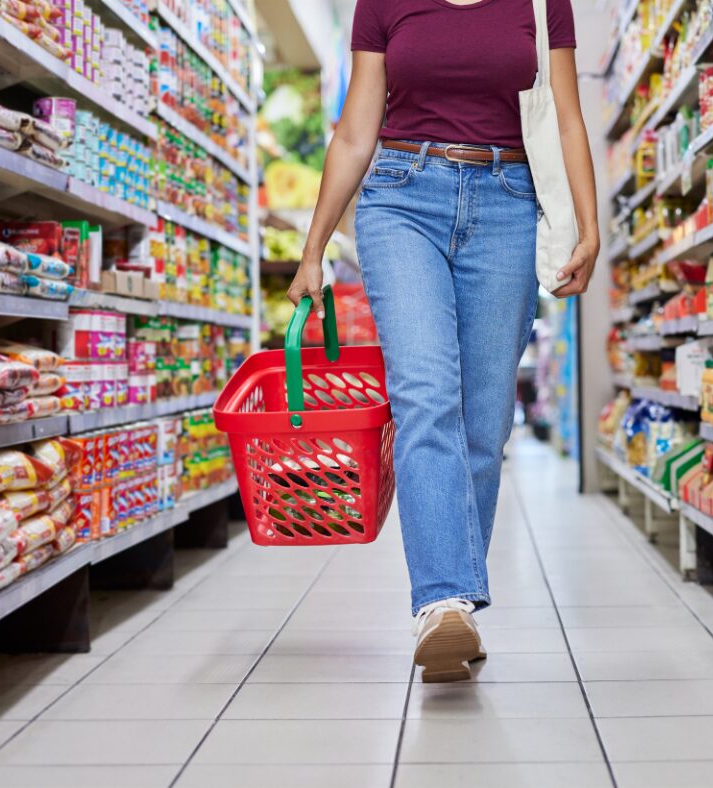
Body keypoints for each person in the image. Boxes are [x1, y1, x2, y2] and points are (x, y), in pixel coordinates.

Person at [286, 0, 598, 683]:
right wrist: (312, 249)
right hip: (401, 198)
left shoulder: (544, 6)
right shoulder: (383, 3)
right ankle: (443, 601)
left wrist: (588, 224)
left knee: (485, 421)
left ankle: (456, 603)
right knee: (426, 394)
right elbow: (352, 133)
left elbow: (568, 118)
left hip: (509, 203)